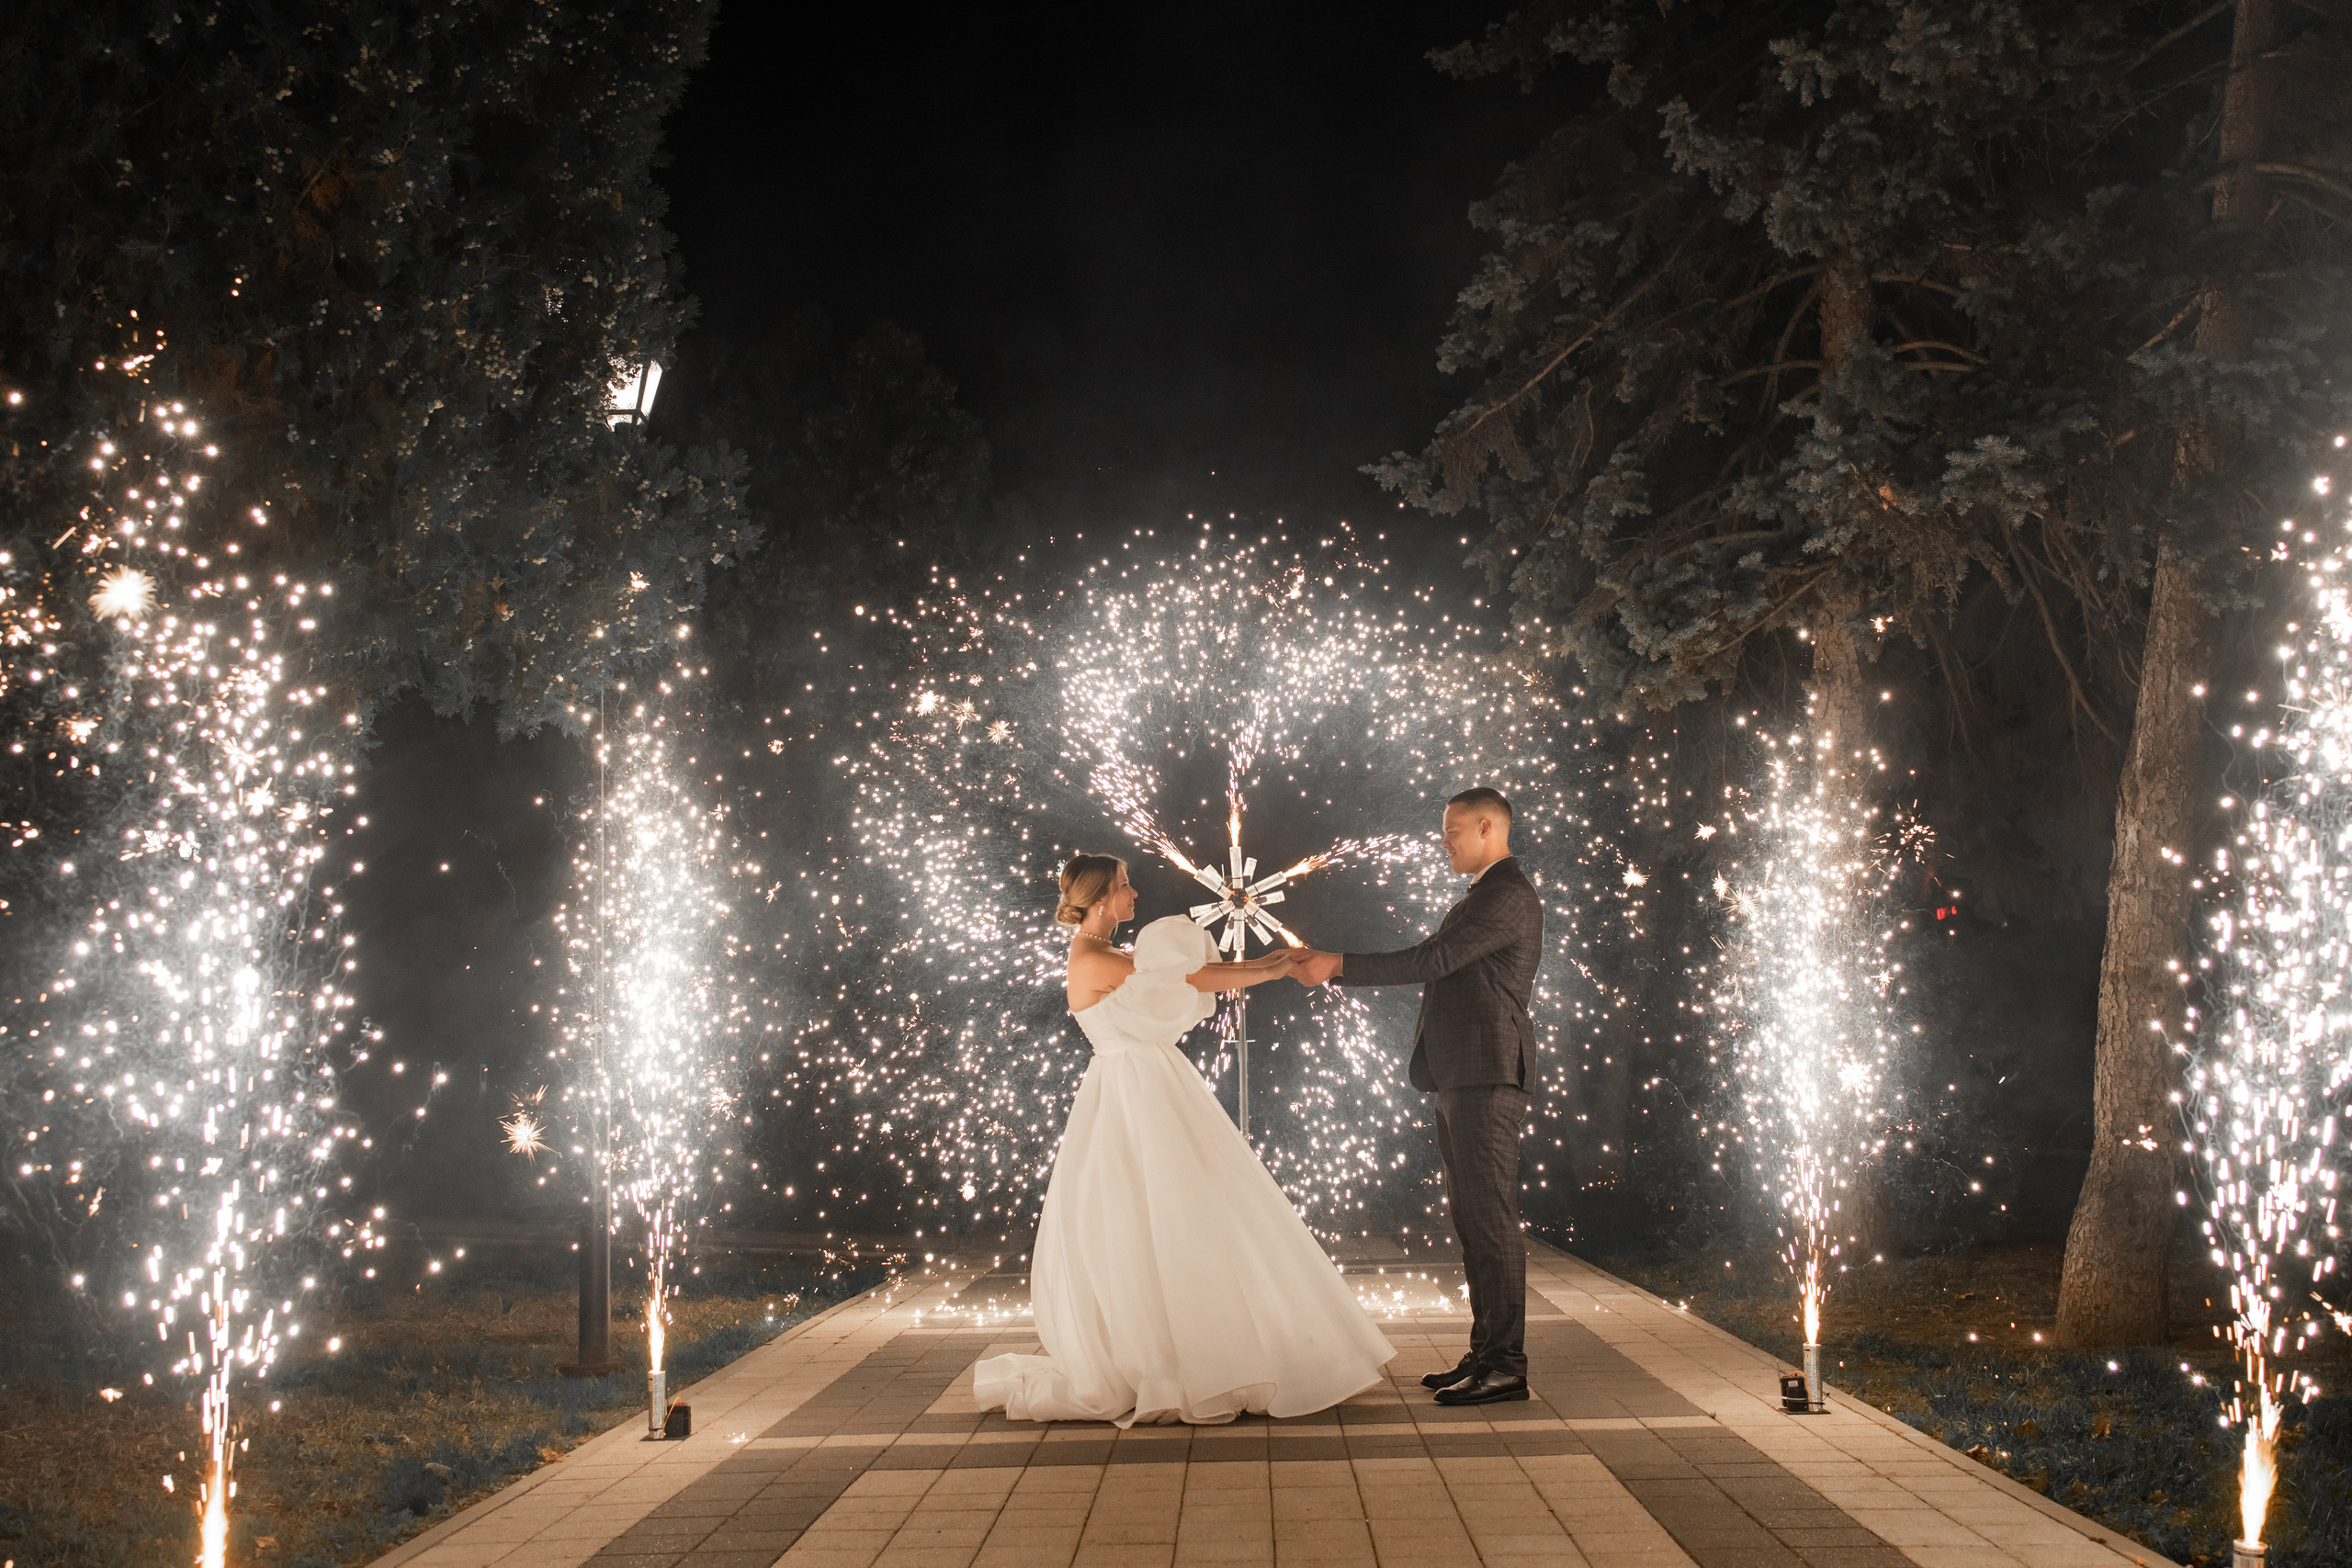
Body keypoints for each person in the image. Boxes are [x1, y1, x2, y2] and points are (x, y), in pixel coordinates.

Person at [974, 852, 1396, 1426]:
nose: (1134, 895)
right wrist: (1268, 970)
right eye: (1125, 887)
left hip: (1143, 1085)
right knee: (1160, 1210)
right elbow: (1192, 978)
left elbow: (1188, 979)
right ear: (1100, 899)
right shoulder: (1096, 959)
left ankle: (1192, 1346)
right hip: (1132, 1094)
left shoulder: (1106, 955)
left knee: (1180, 1209)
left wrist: (1264, 964)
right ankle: (1174, 1356)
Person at [1291, 787, 1544, 1405]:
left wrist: (1338, 964)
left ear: (1487, 827)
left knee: (1491, 1223)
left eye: (1453, 830)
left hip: (1486, 1073)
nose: (1444, 841)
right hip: (1463, 1074)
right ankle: (1486, 1353)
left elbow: (1437, 958)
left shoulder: (1507, 894)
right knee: (1473, 1222)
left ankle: (1507, 1363)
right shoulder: (1487, 895)